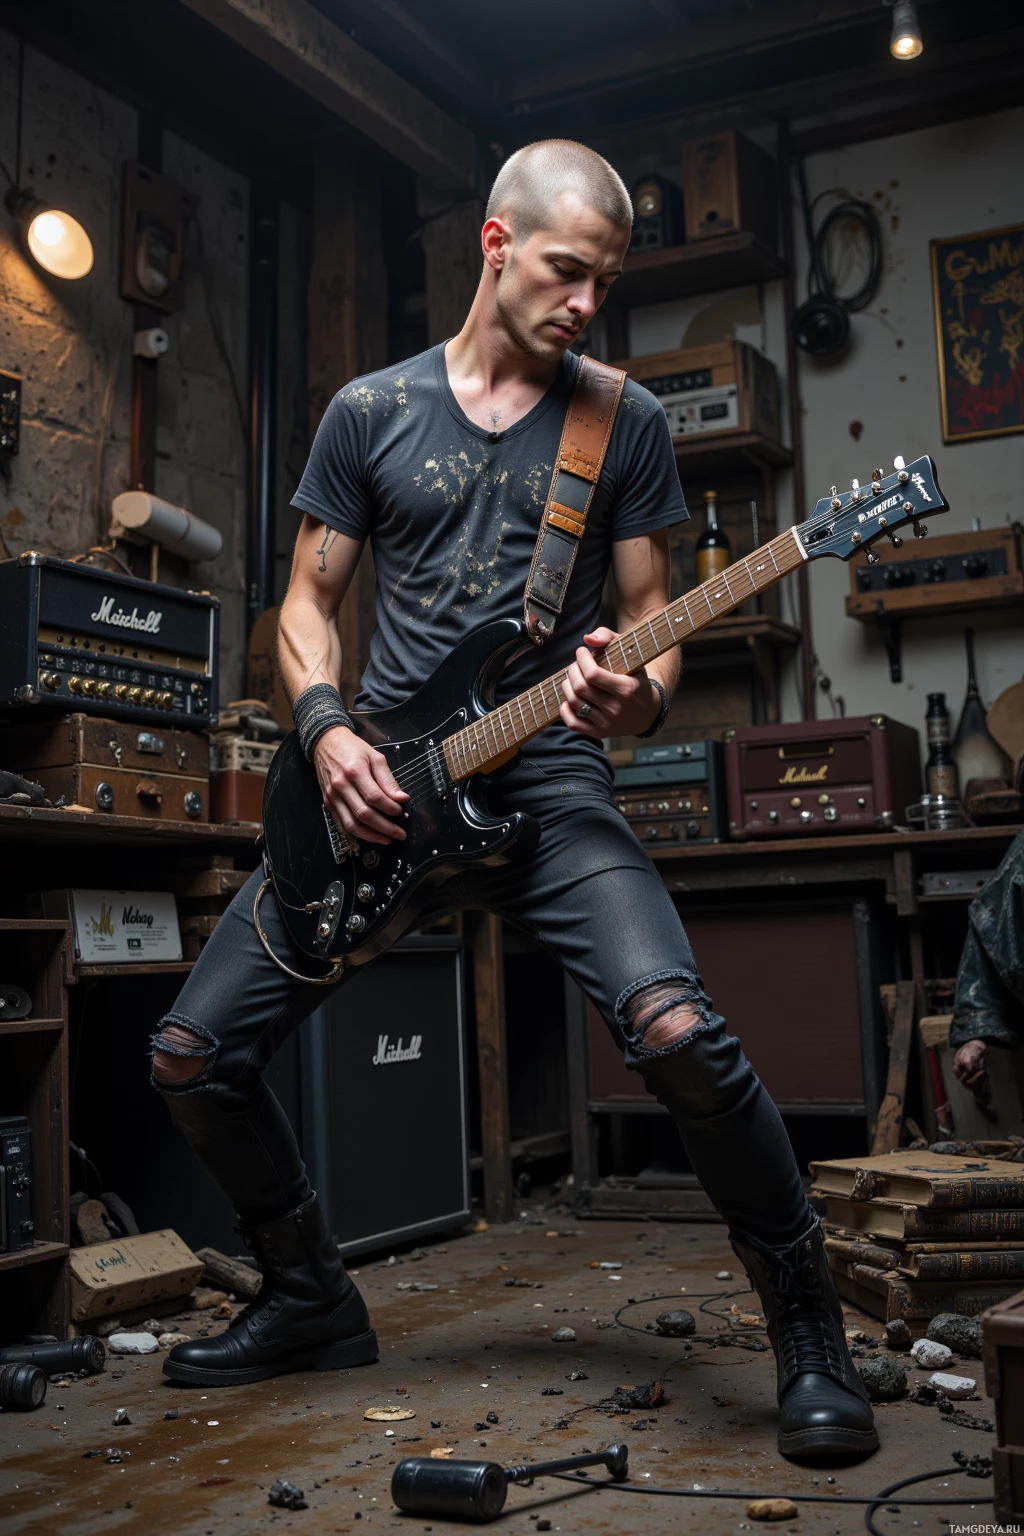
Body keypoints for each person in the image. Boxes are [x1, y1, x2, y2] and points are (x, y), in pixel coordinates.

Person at [150, 140, 876, 1458]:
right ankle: (310, 1294)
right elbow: (304, 610)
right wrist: (323, 734)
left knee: (678, 1035)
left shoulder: (625, 421)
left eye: (605, 281)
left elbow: (655, 634)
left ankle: (810, 1331)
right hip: (383, 787)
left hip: (548, 781)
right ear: (493, 246)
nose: (587, 302)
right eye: (564, 272)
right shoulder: (370, 412)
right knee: (190, 1060)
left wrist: (629, 700)